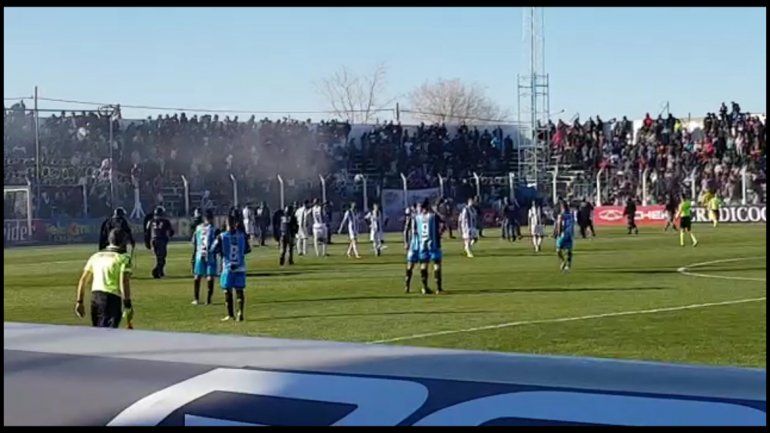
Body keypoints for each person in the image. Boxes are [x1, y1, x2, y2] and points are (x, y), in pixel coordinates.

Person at [75, 228, 134, 329]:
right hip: (111, 298)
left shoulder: (96, 256)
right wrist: (127, 303)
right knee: (108, 334)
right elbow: (123, 281)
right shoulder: (124, 258)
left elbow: (83, 280)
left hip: (95, 297)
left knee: (98, 331)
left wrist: (79, 302)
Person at [212, 215, 251, 321]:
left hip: (228, 267)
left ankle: (230, 314)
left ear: (226, 224)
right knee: (239, 290)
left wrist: (222, 251)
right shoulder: (242, 235)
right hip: (240, 267)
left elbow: (213, 249)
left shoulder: (222, 236)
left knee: (227, 290)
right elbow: (248, 250)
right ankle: (240, 313)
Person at [405, 198, 444, 295]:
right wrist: (440, 233)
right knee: (437, 265)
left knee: (423, 265)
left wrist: (406, 242)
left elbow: (408, 229)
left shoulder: (417, 217)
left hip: (421, 244)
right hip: (433, 244)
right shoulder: (433, 216)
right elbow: (443, 221)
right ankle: (438, 288)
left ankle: (423, 287)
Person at [191, 210, 220, 305]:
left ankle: (196, 299)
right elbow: (217, 243)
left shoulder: (198, 228)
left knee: (197, 276)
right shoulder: (214, 229)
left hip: (200, 254)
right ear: (212, 218)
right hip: (210, 255)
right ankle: (208, 300)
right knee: (210, 276)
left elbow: (194, 241)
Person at [144, 206, 175, 279]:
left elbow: (147, 233)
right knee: (162, 258)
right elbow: (171, 231)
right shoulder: (165, 221)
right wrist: (169, 235)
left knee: (158, 258)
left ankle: (160, 272)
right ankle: (156, 272)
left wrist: (147, 242)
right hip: (161, 240)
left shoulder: (150, 221)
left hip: (153, 240)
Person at [554, 200, 575, 272]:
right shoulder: (570, 215)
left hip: (563, 234)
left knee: (558, 249)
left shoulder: (561, 215)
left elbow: (559, 224)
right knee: (568, 251)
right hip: (569, 234)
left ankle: (564, 262)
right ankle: (567, 264)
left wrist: (558, 233)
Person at [190, 207, 204, 273]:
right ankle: (195, 267)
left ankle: (195, 267)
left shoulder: (195, 221)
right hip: (199, 237)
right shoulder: (198, 221)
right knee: (197, 252)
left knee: (197, 252)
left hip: (198, 237)